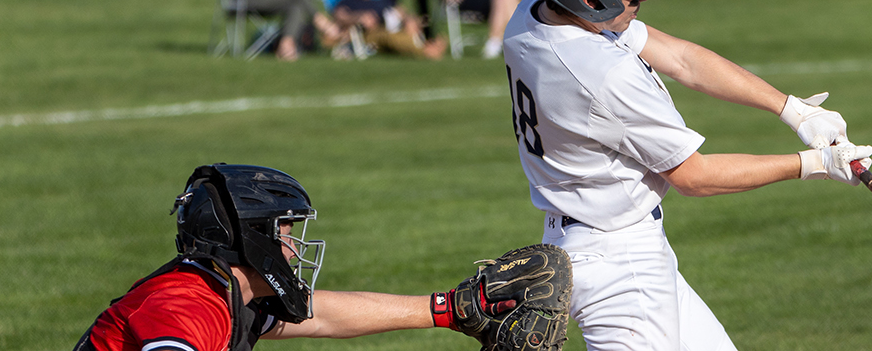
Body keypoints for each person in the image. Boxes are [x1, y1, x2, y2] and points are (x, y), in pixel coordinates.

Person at [502, 0, 872, 351]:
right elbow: (694, 177)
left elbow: (681, 58)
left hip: (607, 244)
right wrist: (813, 163)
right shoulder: (602, 74)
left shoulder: (533, 14)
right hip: (620, 268)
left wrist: (793, 109)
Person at [71, 163, 567, 351]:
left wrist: (442, 310)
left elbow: (319, 315)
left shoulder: (227, 294)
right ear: (249, 237)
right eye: (284, 229)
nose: (293, 244)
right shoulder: (185, 303)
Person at [332, 0, 446, 60]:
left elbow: (401, 10)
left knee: (408, 28)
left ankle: (428, 45)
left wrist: (408, 20)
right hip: (370, 34)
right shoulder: (348, 1)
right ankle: (427, 51)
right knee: (389, 37)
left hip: (393, 28)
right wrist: (359, 17)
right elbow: (340, 16)